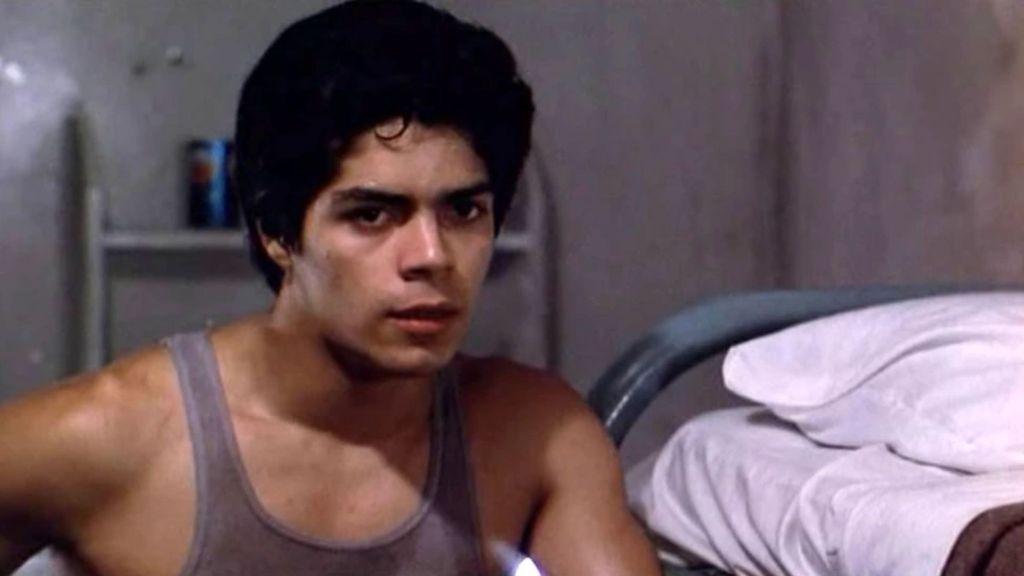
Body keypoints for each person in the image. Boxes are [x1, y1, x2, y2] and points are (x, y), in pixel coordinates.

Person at [0, 1, 661, 574]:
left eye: (463, 210)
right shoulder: (109, 437)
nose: (432, 256)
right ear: (277, 233)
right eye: (372, 215)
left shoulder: (535, 435)